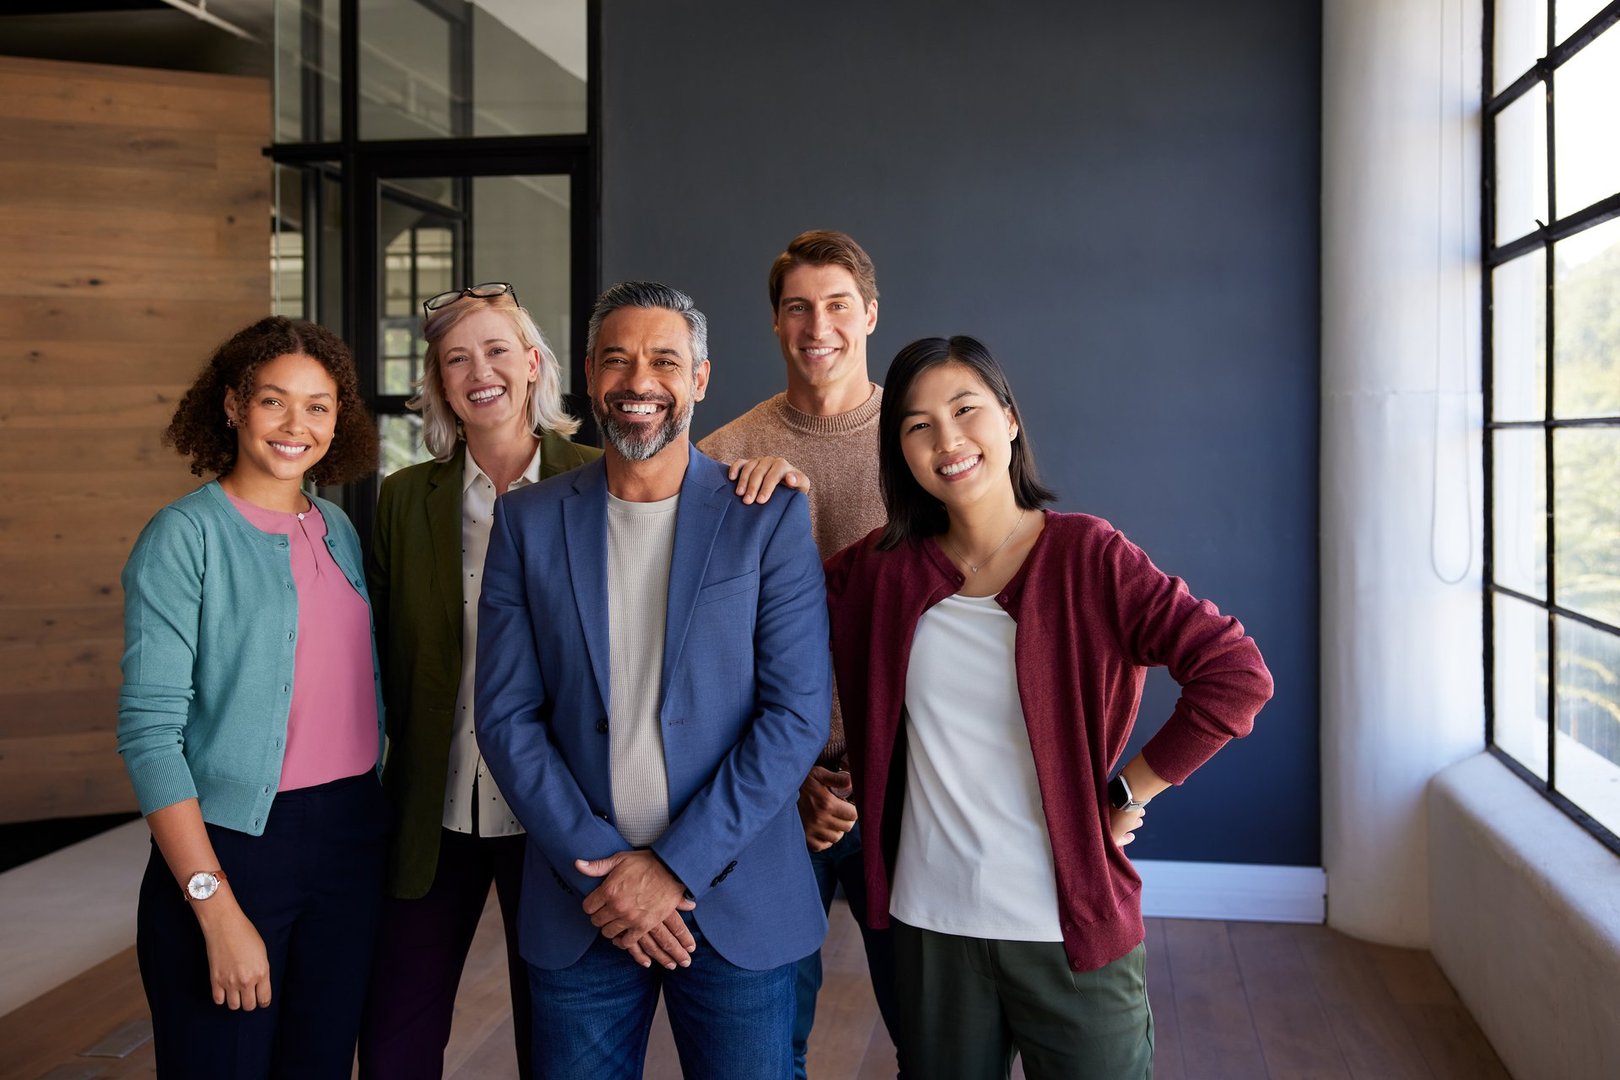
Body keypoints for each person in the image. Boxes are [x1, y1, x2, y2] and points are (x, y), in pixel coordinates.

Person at [824, 336, 1274, 1079]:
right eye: (917, 425)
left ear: (1009, 421)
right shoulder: (880, 571)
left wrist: (1131, 787)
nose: (947, 440)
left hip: (1066, 926)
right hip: (929, 926)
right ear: (899, 451)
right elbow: (763, 616)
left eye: (966, 410)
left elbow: (1235, 674)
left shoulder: (1088, 556)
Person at [475, 281, 831, 1079]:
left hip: (736, 899)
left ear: (699, 379)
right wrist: (607, 874)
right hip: (584, 901)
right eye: (617, 361)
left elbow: (796, 716)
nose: (639, 383)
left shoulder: (766, 515)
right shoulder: (527, 523)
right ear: (590, 380)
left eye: (664, 361)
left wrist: (672, 869)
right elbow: (505, 719)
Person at [116, 316, 387, 1079]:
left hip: (352, 835)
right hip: (234, 844)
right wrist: (214, 905)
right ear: (233, 405)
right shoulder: (182, 537)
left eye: (319, 405)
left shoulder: (335, 527)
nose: (296, 425)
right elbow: (148, 734)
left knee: (321, 1062)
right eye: (274, 401)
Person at [358, 283, 601, 1080]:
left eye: (497, 350)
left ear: (533, 366)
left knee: (559, 1039)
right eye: (456, 359)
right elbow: (378, 655)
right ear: (438, 384)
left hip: (557, 816)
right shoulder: (403, 500)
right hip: (434, 810)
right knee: (395, 1034)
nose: (479, 371)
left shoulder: (599, 482)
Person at [698, 229, 901, 1075]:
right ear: (776, 325)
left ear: (870, 316)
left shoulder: (926, 441)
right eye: (797, 308)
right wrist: (789, 782)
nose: (818, 325)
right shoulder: (720, 456)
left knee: (938, 1037)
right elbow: (704, 651)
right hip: (776, 794)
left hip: (908, 785)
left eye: (837, 306)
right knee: (768, 1043)